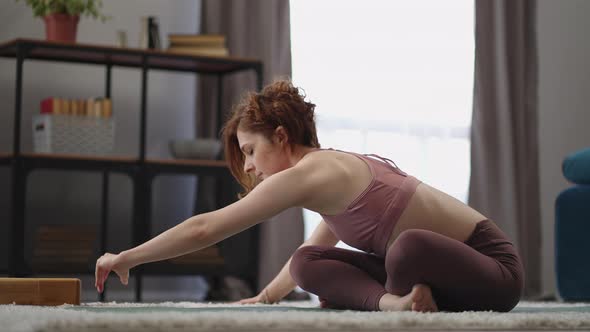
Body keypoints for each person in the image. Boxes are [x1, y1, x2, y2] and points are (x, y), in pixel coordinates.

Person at [95, 80, 524, 312]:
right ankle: (398, 304)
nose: (248, 167)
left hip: (494, 270)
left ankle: (397, 301)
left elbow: (206, 227)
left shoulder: (314, 171)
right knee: (306, 263)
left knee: (406, 248)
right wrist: (265, 297)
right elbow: (313, 250)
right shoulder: (325, 181)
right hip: (427, 271)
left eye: (250, 151)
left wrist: (126, 257)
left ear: (281, 137)